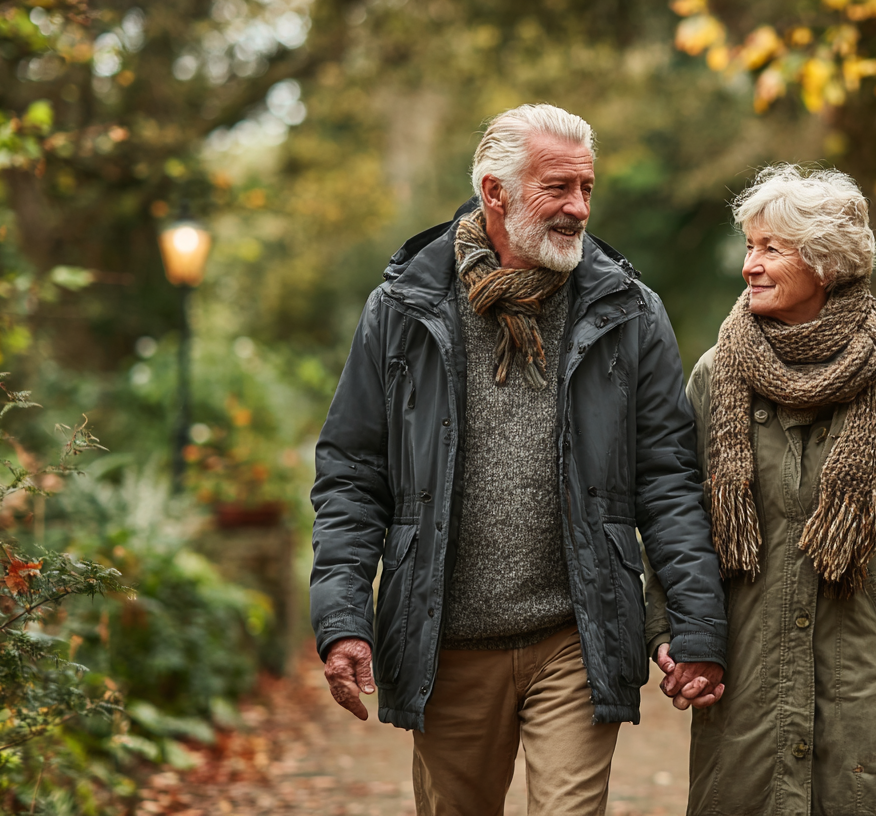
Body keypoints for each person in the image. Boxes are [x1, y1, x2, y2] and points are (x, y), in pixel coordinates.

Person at [309, 104, 727, 816]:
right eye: (557, 188)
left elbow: (667, 480)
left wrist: (694, 625)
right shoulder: (403, 307)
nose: (578, 208)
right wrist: (343, 617)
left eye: (587, 188)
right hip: (445, 642)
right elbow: (352, 474)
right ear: (493, 191)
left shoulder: (627, 310)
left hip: (577, 633)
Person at [646, 164, 876, 814]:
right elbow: (678, 526)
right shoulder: (716, 376)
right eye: (750, 246)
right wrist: (672, 635)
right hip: (748, 682)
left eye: (772, 247)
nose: (750, 265)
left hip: (874, 683)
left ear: (828, 263)